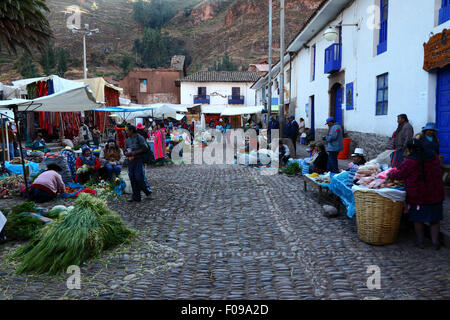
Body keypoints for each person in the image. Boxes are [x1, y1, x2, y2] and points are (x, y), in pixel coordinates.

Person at [387, 139, 445, 250]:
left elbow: (400, 173)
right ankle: (435, 242)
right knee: (434, 219)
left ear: (410, 149)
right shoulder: (433, 156)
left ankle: (420, 242)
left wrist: (390, 173)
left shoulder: (410, 160)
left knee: (418, 219)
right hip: (436, 193)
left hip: (419, 195)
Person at [125, 125, 152, 202]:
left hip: (139, 160)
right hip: (131, 161)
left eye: (127, 130)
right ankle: (136, 196)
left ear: (131, 131)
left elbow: (145, 148)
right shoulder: (127, 140)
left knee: (139, 177)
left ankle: (147, 192)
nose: (126, 132)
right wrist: (126, 153)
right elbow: (125, 149)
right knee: (132, 177)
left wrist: (134, 153)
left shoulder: (139, 137)